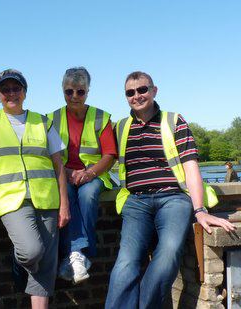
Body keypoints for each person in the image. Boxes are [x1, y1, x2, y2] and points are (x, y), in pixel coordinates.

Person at [105, 71, 236, 309]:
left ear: (154, 91)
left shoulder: (173, 121)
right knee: (125, 262)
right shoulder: (121, 127)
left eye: (142, 89)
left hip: (173, 199)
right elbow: (100, 156)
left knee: (168, 254)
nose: (137, 96)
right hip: (136, 201)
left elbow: (191, 167)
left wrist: (200, 209)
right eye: (130, 92)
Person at [0, 69, 70, 309]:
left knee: (47, 263)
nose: (11, 94)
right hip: (10, 199)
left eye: (16, 88)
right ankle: (18, 263)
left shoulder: (42, 121)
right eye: (5, 89)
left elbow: (58, 164)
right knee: (30, 252)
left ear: (25, 92)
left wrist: (64, 204)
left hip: (47, 198)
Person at [48, 67, 117, 283]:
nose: (74, 96)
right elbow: (51, 155)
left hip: (94, 175)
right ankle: (81, 253)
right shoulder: (53, 118)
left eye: (80, 91)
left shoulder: (100, 116)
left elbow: (110, 154)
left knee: (87, 195)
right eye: (69, 92)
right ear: (63, 91)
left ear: (87, 91)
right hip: (65, 175)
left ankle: (76, 253)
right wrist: (68, 172)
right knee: (65, 196)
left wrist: (89, 173)